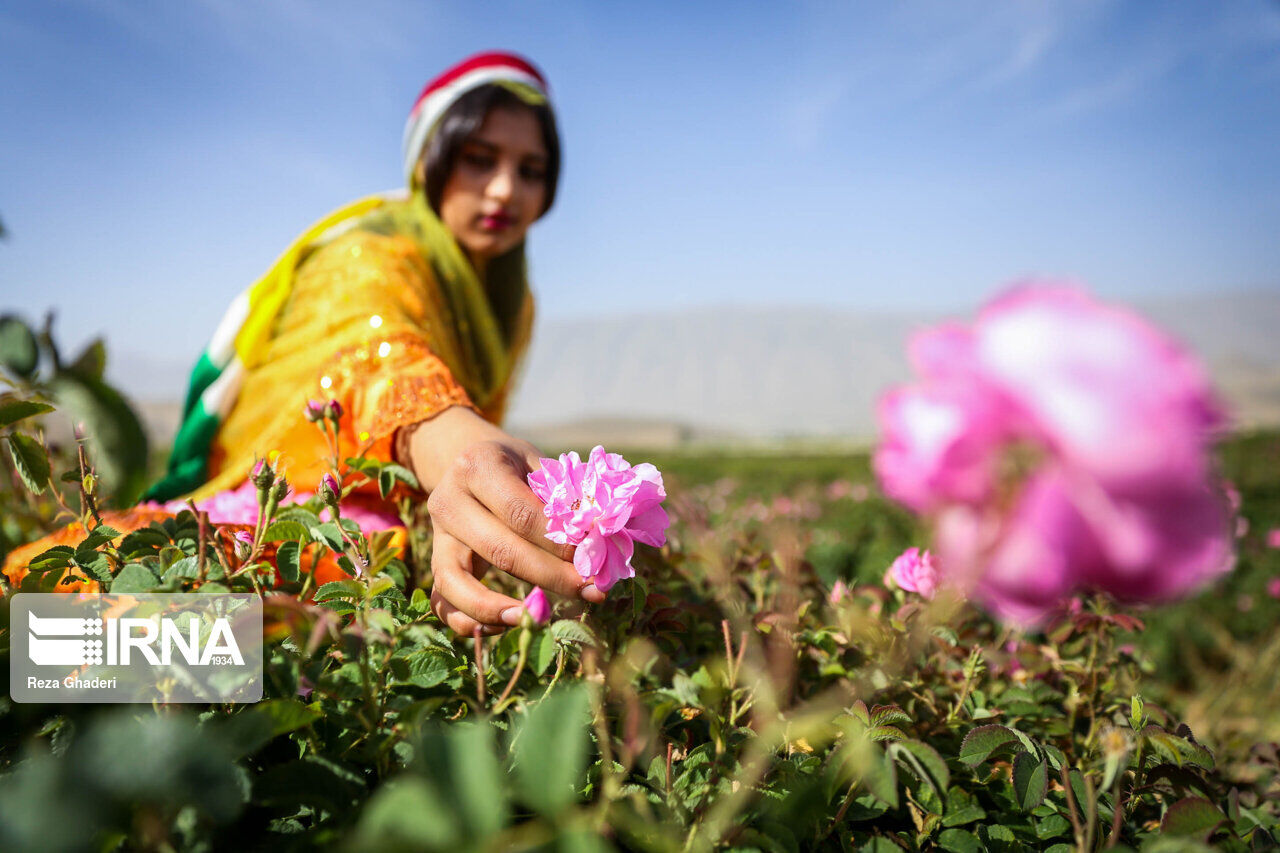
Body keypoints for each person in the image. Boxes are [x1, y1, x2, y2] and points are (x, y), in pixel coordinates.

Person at [4, 52, 602, 635]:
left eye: (531, 170)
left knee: (328, 632)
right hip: (294, 508)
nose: (505, 191)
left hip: (417, 522)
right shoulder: (366, 255)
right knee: (70, 619)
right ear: (430, 162)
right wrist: (460, 452)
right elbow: (379, 360)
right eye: (479, 159)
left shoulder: (513, 304)